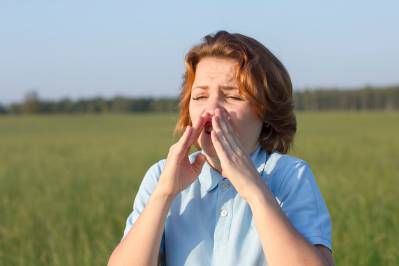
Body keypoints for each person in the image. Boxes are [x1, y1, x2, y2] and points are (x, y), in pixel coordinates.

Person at [108, 31, 334, 266]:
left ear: (266, 111)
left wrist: (254, 190)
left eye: (233, 97)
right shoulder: (160, 176)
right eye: (200, 96)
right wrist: (164, 194)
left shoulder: (289, 175)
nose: (212, 109)